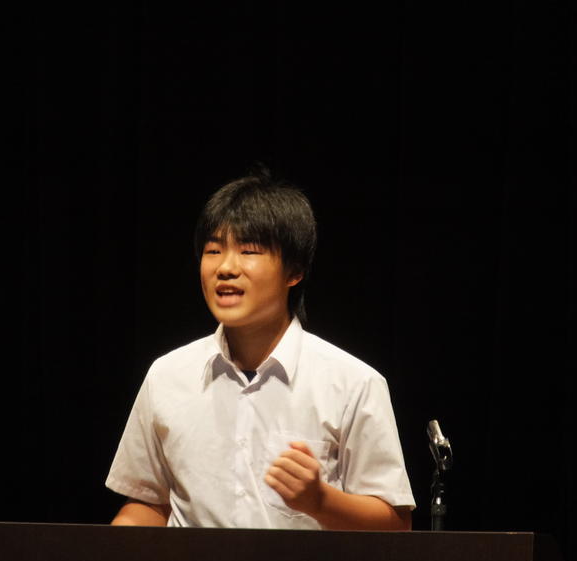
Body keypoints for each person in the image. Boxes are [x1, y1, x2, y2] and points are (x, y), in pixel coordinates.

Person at [105, 169, 415, 529]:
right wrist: (112, 548)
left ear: (294, 271)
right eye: (213, 250)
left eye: (249, 251)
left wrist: (321, 501)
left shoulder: (353, 383)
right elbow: (149, 504)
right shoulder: (167, 375)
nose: (225, 267)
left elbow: (396, 525)